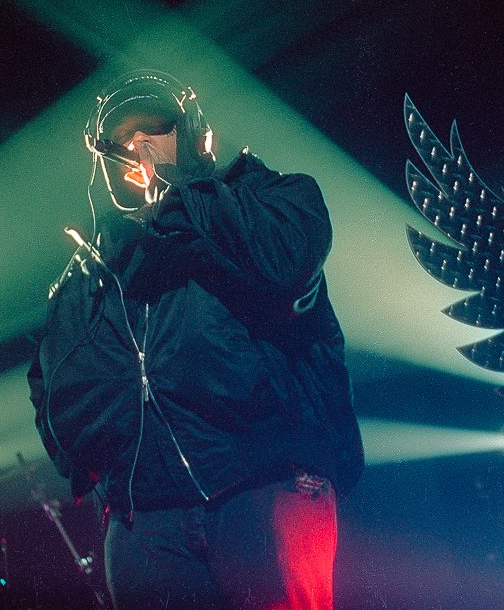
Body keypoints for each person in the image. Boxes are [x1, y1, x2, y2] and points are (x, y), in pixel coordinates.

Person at [28, 70, 364, 610]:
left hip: (263, 492)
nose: (138, 146)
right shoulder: (93, 266)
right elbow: (49, 376)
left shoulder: (269, 198)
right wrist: (93, 466)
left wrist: (184, 193)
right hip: (146, 524)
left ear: (189, 130)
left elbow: (284, 261)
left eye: (154, 128)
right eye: (121, 140)